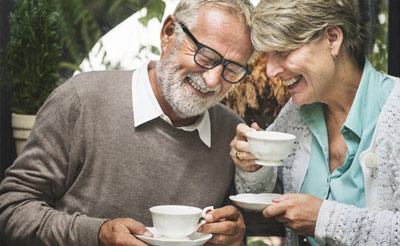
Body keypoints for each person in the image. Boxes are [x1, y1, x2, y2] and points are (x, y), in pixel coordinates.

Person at [0, 0, 255, 245]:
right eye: (205, 56)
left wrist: (232, 234)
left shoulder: (230, 134)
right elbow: (11, 210)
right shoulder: (82, 100)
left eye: (232, 69)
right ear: (168, 33)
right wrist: (97, 234)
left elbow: (233, 225)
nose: (212, 80)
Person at [230, 0, 400, 245]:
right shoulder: (295, 113)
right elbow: (261, 197)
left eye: (283, 51)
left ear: (332, 38)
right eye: (267, 55)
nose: (270, 71)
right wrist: (253, 167)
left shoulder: (394, 109)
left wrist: (326, 219)